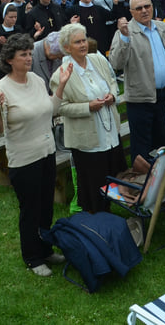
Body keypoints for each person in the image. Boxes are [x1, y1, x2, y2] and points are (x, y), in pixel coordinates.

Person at [0, 34, 71, 276]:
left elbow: (50, 109)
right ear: (10, 60)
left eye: (28, 53)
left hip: (46, 153)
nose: (28, 58)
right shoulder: (1, 88)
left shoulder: (35, 79)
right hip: (24, 159)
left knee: (46, 206)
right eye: (23, 55)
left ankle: (45, 249)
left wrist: (63, 85)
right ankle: (32, 257)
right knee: (30, 210)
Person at [50, 24, 125, 214]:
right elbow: (60, 108)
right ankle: (96, 221)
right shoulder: (60, 75)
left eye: (84, 40)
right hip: (88, 141)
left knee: (112, 179)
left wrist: (112, 96)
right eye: (77, 42)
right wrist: (87, 107)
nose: (83, 44)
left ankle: (109, 219)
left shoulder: (97, 59)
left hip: (109, 134)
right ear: (67, 47)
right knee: (93, 186)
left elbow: (112, 81)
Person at [109, 0, 165, 163]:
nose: (144, 11)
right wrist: (124, 37)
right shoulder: (125, 32)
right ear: (131, 12)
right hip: (140, 100)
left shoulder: (162, 27)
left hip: (162, 96)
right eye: (139, 8)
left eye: (147, 6)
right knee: (142, 148)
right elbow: (116, 63)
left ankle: (164, 184)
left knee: (162, 142)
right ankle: (143, 186)